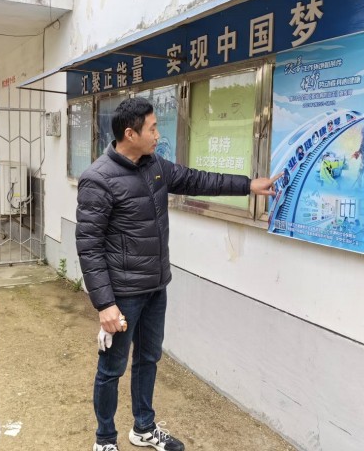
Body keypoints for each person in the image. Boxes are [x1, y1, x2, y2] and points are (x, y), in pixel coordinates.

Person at [76, 97, 281, 451]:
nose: (158, 134)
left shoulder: (155, 165)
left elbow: (198, 180)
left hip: (156, 287)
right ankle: (104, 439)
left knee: (148, 359)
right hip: (123, 295)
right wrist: (105, 304)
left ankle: (143, 428)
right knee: (112, 368)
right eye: (152, 128)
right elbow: (89, 246)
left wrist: (248, 185)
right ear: (130, 134)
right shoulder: (98, 179)